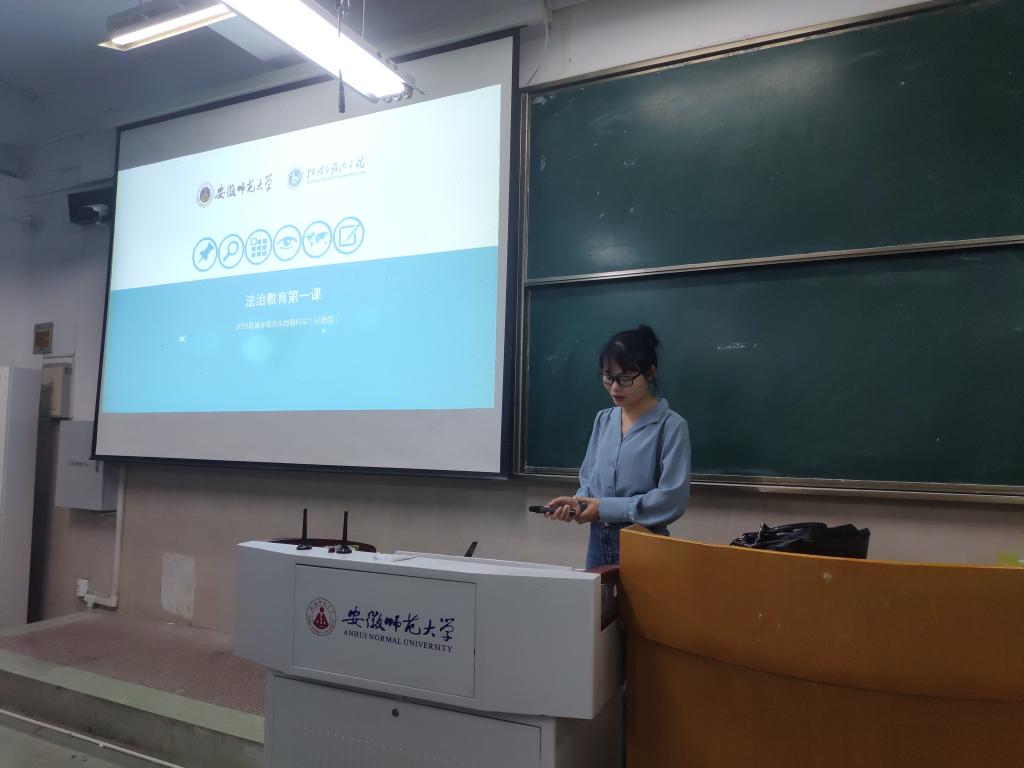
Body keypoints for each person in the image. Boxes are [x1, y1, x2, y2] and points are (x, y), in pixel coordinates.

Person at [544, 325, 690, 568]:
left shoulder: (671, 426)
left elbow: (671, 500)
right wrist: (578, 504)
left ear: (650, 373)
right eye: (608, 377)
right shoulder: (603, 419)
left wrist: (605, 508)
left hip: (644, 544)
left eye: (625, 378)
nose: (614, 387)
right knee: (594, 595)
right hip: (597, 544)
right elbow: (589, 480)